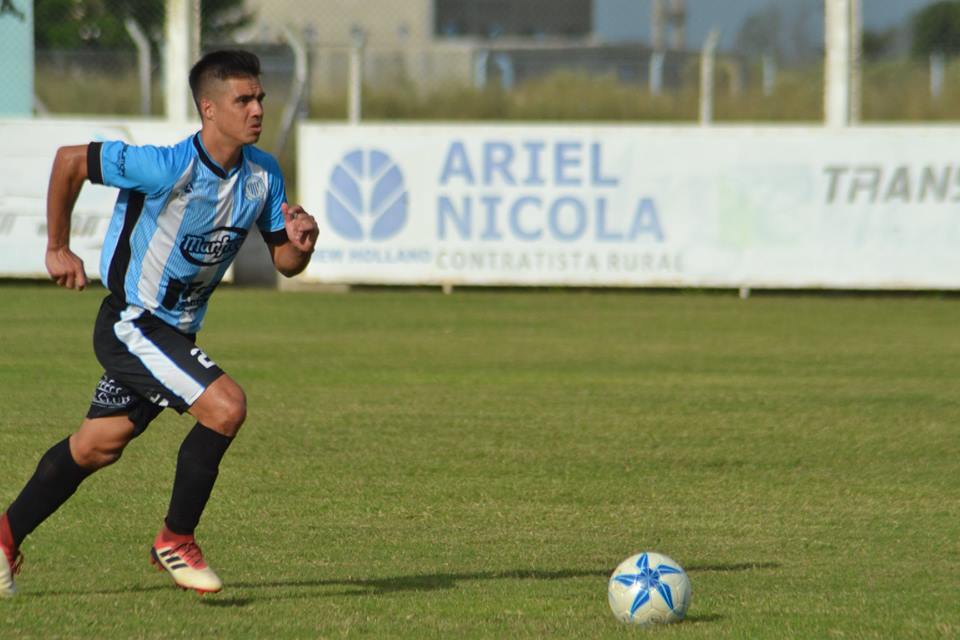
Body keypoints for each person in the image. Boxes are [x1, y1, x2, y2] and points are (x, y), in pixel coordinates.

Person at [0, 49, 318, 597]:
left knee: (97, 446)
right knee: (226, 407)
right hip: (133, 322)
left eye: (260, 98)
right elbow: (70, 160)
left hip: (175, 333)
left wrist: (302, 243)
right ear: (209, 109)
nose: (257, 109)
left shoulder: (263, 174)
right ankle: (175, 539)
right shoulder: (167, 167)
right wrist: (57, 247)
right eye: (243, 100)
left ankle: (4, 536)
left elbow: (285, 263)